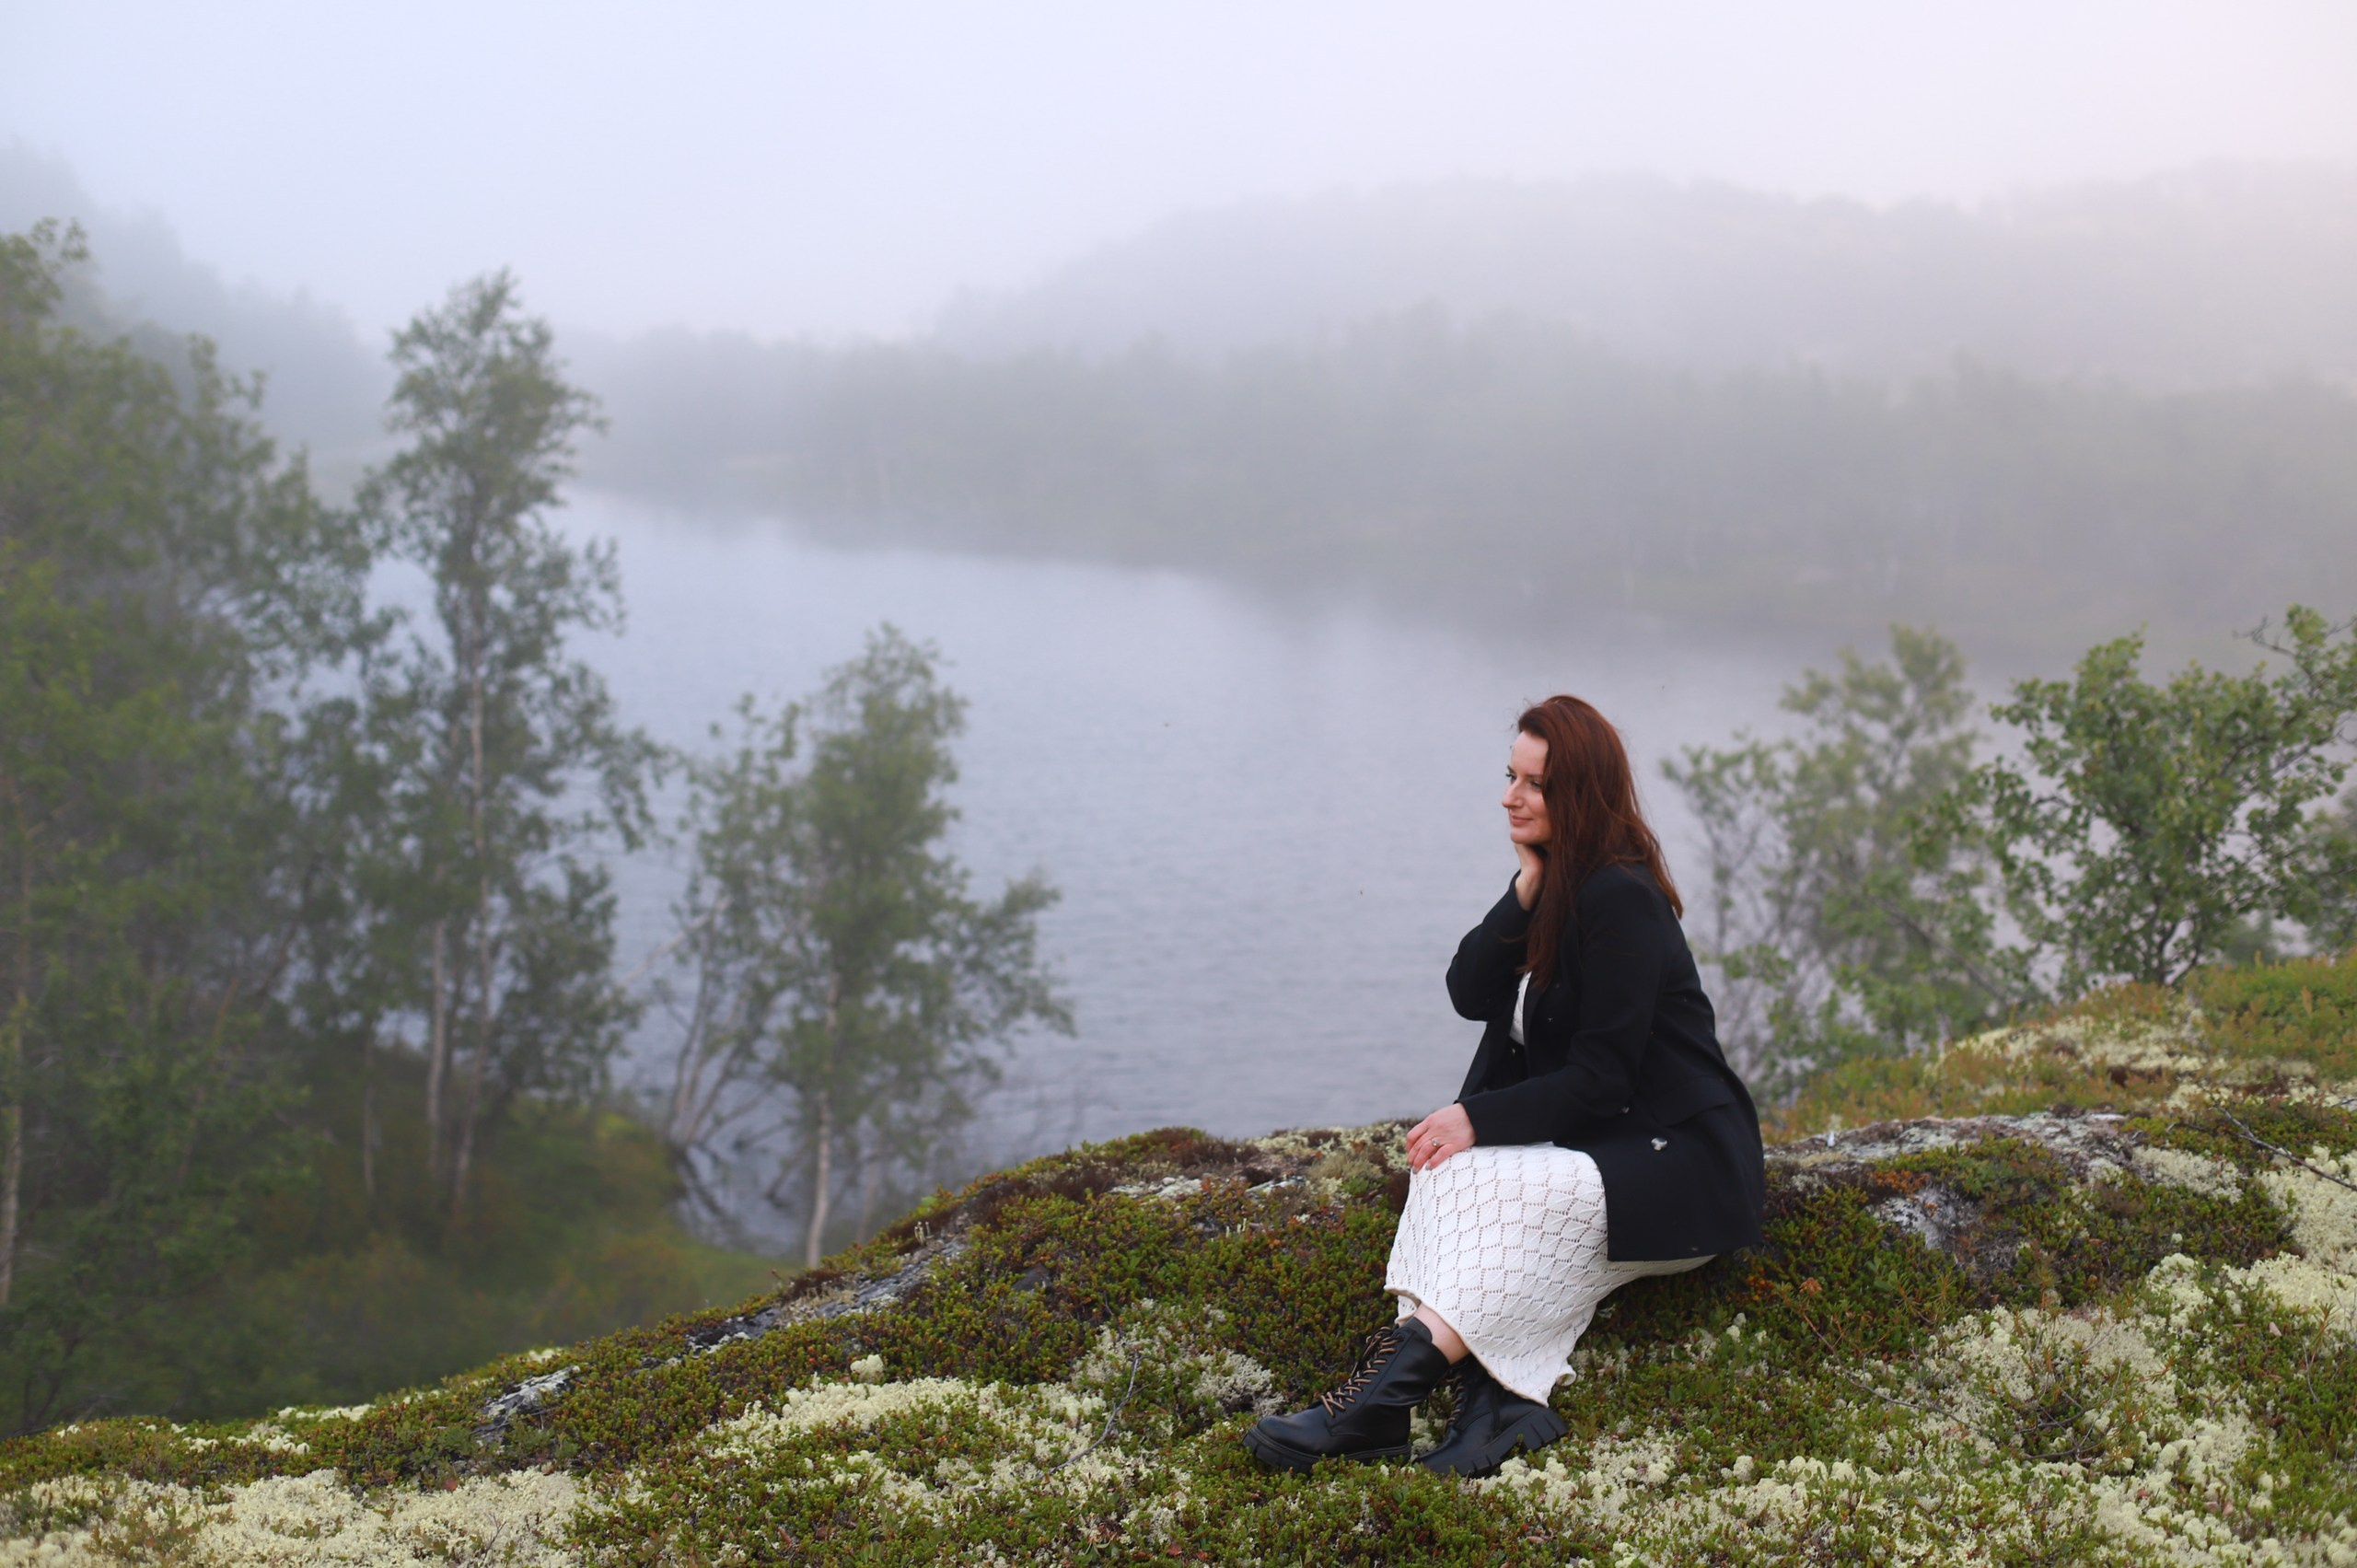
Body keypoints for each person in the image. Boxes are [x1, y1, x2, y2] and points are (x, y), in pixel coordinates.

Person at [1245, 694, 1766, 1478]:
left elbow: (1603, 1077)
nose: (1509, 796)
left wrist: (1475, 1116)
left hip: (1677, 1159)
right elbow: (1468, 990)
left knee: (1477, 1174)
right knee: (1447, 1171)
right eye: (1509, 775)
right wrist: (1524, 888)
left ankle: (1373, 1402)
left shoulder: (1621, 898)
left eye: (1534, 783)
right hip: (1599, 1145)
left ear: (1581, 795)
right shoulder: (1557, 885)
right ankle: (1492, 1409)